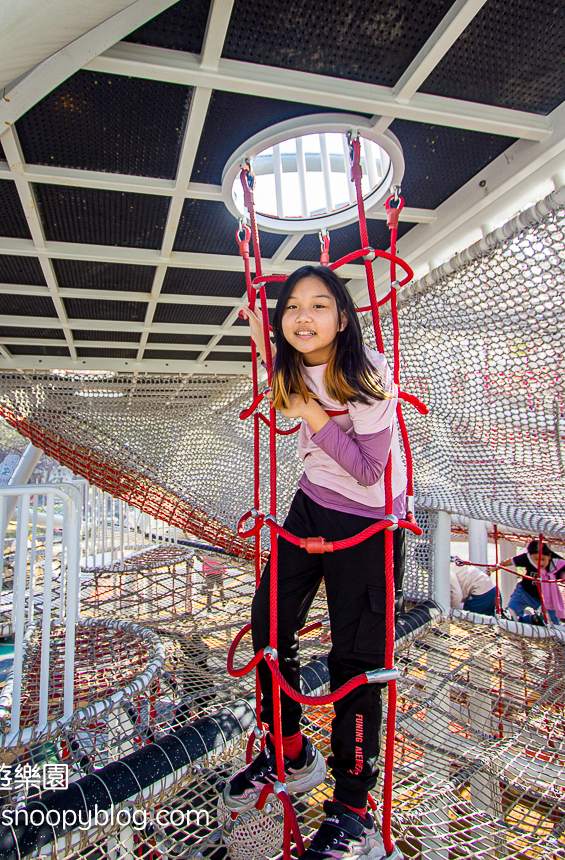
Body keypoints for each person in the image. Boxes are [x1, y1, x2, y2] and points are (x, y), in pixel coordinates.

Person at [222, 265, 407, 859]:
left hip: (371, 517)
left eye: (319, 305)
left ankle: (354, 808)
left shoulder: (368, 372)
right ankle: (289, 749)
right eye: (292, 306)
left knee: (355, 655)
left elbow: (368, 470)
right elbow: (280, 354)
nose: (303, 317)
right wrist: (263, 337)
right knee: (269, 622)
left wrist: (309, 410)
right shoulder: (289, 359)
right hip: (311, 503)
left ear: (344, 318)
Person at [501, 540, 565, 624]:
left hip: (546, 599)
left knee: (553, 624)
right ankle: (528, 619)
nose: (540, 563)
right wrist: (497, 566)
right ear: (530, 557)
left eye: (543, 559)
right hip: (525, 593)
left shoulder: (558, 564)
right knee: (511, 616)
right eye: (536, 559)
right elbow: (512, 561)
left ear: (549, 556)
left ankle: (534, 619)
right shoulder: (526, 559)